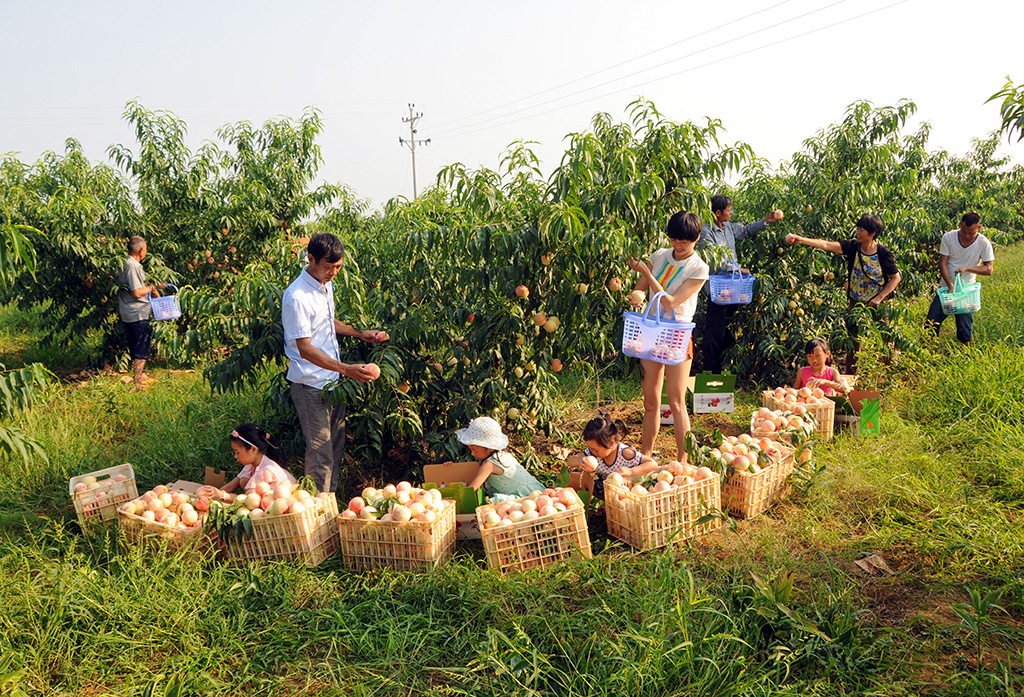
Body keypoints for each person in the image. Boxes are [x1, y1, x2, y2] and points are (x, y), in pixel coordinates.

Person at [282, 232, 389, 497]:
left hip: (332, 382)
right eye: (329, 267)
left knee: (336, 445)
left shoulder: (324, 284)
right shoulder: (297, 297)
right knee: (320, 452)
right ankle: (317, 513)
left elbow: (326, 322)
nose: (333, 273)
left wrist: (359, 332)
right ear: (311, 259)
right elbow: (304, 348)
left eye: (338, 267)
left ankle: (328, 501)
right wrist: (347, 369)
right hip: (310, 385)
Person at [627, 210, 710, 461]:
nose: (678, 245)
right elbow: (641, 290)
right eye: (674, 239)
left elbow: (671, 303)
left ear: (696, 238)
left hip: (677, 335)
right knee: (650, 402)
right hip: (651, 329)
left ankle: (683, 460)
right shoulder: (659, 255)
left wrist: (648, 274)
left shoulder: (699, 268)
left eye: (685, 240)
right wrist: (635, 295)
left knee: (676, 402)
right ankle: (646, 456)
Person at [786, 214, 901, 372]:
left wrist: (880, 298)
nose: (858, 232)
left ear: (872, 233)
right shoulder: (853, 247)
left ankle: (889, 375)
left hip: (878, 303)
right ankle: (851, 375)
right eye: (858, 229)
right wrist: (801, 239)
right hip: (856, 301)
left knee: (884, 338)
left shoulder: (883, 253)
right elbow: (826, 244)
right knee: (853, 340)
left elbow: (896, 278)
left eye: (862, 230)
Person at [697, 195, 785, 373]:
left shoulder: (728, 227)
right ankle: (711, 369)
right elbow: (712, 260)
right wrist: (736, 268)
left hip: (734, 287)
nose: (731, 213)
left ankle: (725, 364)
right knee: (714, 329)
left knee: (729, 326)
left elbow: (745, 230)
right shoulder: (707, 232)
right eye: (729, 210)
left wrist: (766, 221)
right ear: (718, 213)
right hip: (718, 288)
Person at [925, 212, 994, 344]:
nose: (967, 235)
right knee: (931, 324)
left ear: (979, 228)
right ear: (960, 224)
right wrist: (950, 285)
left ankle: (965, 356)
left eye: (971, 233)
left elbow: (989, 269)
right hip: (946, 290)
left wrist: (968, 268)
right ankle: (929, 353)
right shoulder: (948, 237)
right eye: (964, 231)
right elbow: (943, 263)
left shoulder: (984, 243)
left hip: (966, 292)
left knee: (964, 331)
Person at [445, 416, 543, 500]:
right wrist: (451, 468)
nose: (472, 454)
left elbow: (472, 489)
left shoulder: (489, 465)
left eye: (475, 450)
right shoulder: (503, 455)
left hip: (525, 498)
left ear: (490, 448)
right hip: (537, 492)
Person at [117, 235, 165, 390]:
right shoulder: (133, 266)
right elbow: (137, 292)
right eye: (145, 248)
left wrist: (154, 289)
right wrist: (153, 288)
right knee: (141, 346)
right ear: (140, 249)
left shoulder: (123, 263)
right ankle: (138, 380)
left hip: (127, 311)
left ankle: (142, 375)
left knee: (135, 344)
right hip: (138, 311)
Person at [199, 424, 296, 498]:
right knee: (243, 480)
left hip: (280, 504)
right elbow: (229, 487)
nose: (235, 456)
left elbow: (248, 500)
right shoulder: (251, 464)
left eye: (237, 452)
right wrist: (212, 494)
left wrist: (222, 495)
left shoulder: (265, 471)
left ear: (253, 449)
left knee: (245, 484)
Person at [575, 413, 657, 497]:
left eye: (595, 450)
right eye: (590, 448)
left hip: (630, 490)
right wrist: (581, 460)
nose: (592, 452)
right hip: (610, 491)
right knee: (594, 485)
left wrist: (631, 471)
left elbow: (652, 464)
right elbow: (571, 461)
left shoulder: (625, 453)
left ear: (611, 443)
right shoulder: (593, 453)